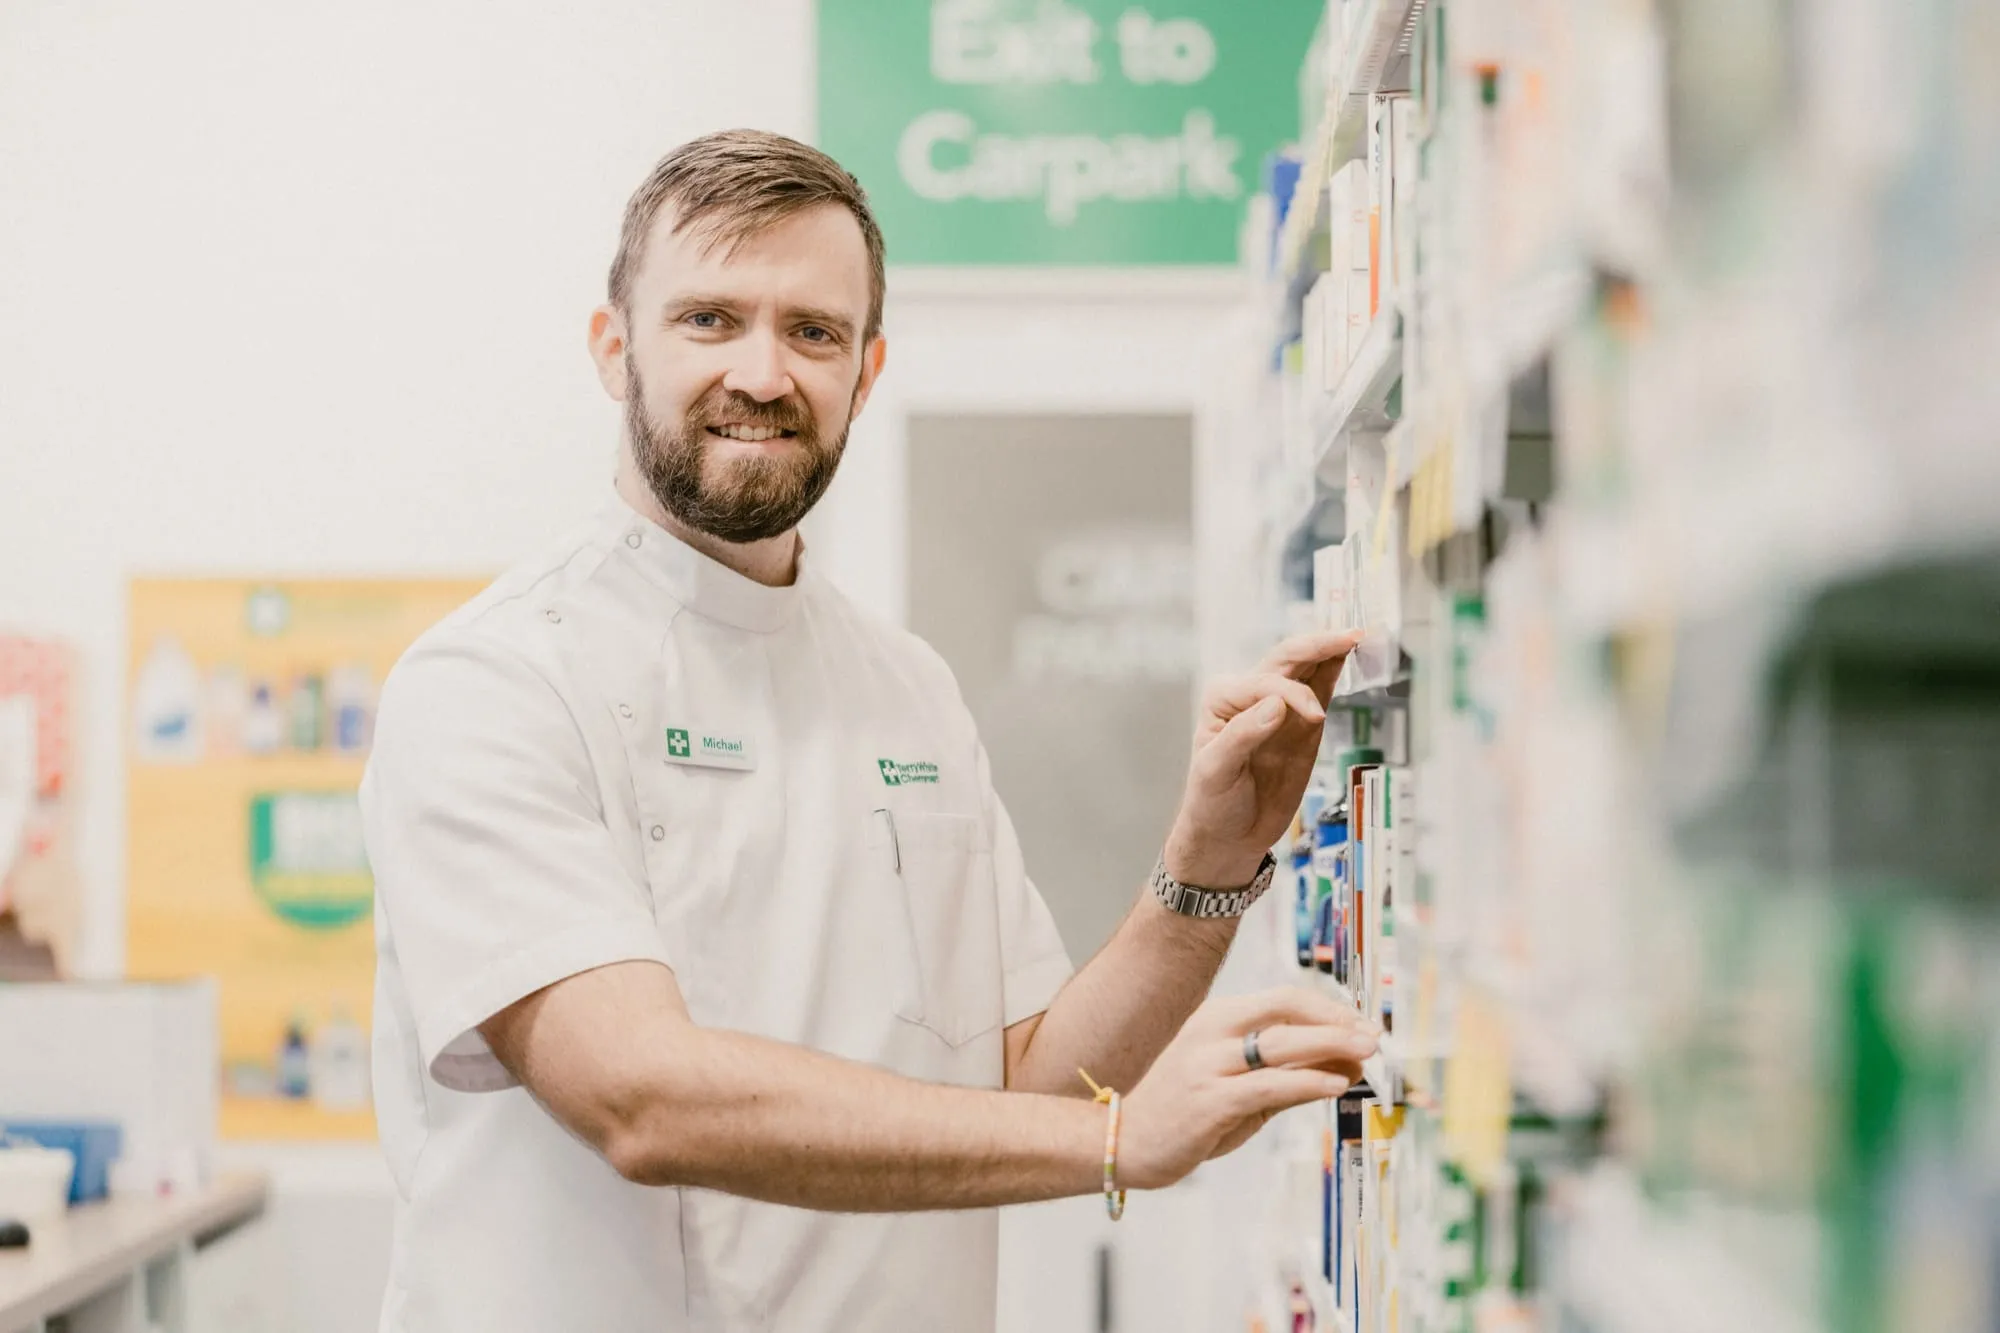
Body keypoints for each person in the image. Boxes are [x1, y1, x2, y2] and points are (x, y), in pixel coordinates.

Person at [360, 128, 1373, 1333]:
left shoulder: (905, 687)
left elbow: (1027, 1076)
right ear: (611, 348)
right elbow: (639, 1097)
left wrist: (1204, 866)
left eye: (813, 331)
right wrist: (1111, 1143)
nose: (762, 370)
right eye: (708, 320)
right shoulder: (496, 679)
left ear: (866, 369)